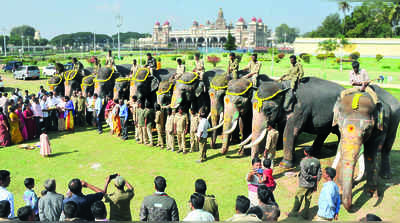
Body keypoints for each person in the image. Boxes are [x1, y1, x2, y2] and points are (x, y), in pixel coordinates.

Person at [288, 146, 322, 219]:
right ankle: (305, 214)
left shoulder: (303, 162)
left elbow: (304, 175)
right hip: (312, 184)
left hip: (304, 184)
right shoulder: (317, 161)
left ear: (305, 152)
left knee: (298, 198)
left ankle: (293, 213)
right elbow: (319, 174)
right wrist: (316, 183)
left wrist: (311, 177)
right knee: (308, 199)